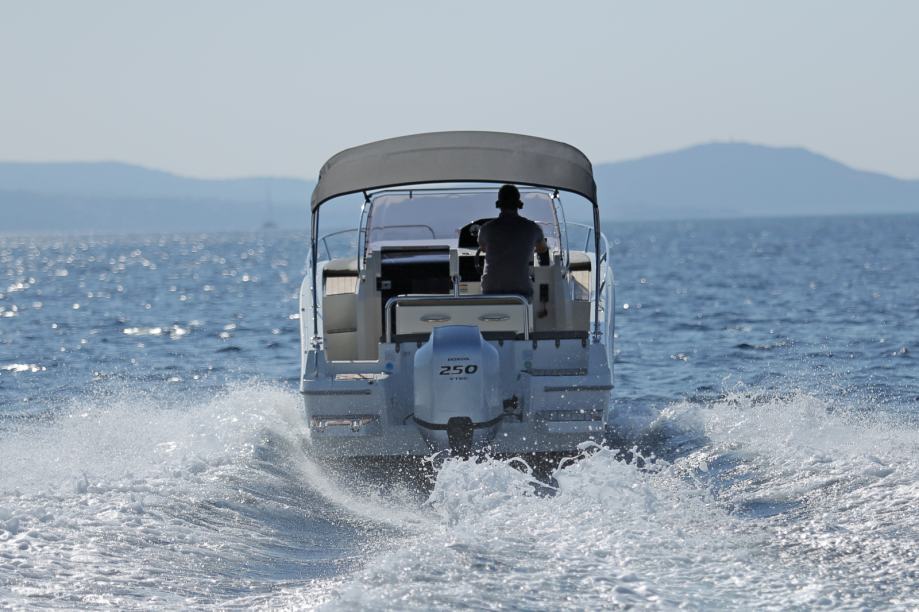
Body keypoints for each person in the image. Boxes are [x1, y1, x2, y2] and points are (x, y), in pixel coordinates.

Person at [477, 184, 549, 300]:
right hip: (521, 291)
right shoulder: (532, 228)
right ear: (519, 204)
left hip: (491, 290)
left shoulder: (486, 229)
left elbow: (483, 248)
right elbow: (542, 249)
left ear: (499, 205)